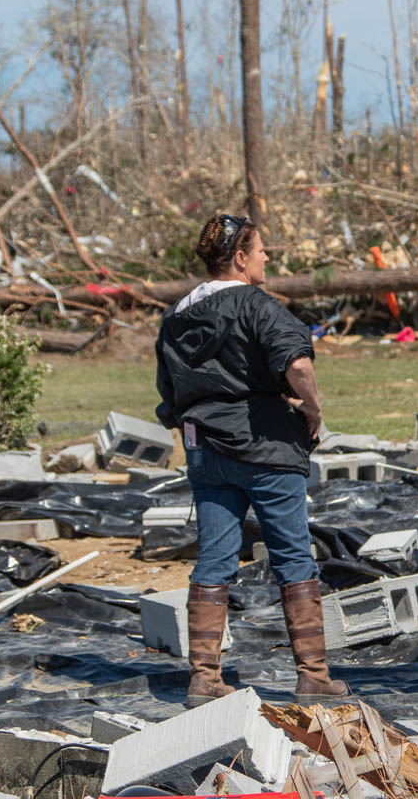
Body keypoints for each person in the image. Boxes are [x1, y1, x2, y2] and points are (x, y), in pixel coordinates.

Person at [155, 213, 349, 708]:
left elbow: (168, 393)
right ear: (240, 258)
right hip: (267, 449)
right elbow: (297, 363)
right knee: (294, 558)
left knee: (214, 559)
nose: (266, 258)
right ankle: (313, 676)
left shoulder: (176, 317)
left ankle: (204, 677)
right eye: (261, 250)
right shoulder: (258, 306)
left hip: (206, 452)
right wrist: (313, 408)